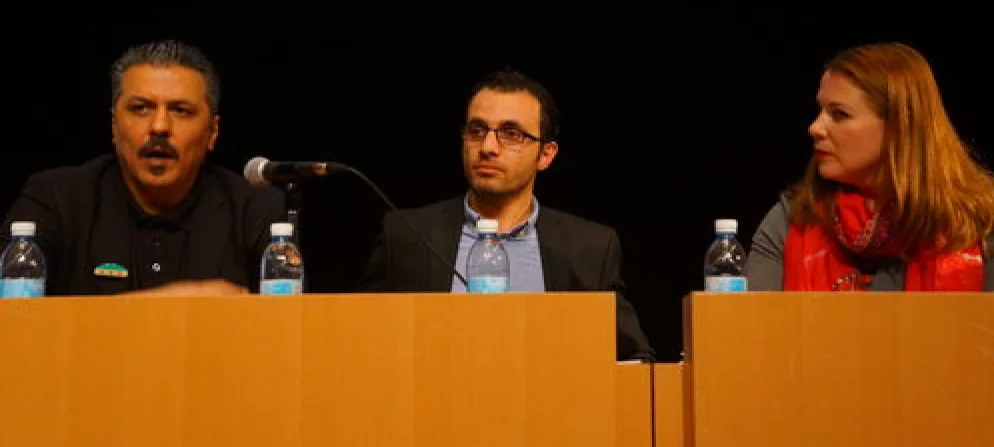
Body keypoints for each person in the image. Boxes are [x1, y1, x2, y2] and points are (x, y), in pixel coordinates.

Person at [355, 66, 655, 361]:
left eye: (511, 134)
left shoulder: (588, 248)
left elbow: (636, 360)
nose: (488, 147)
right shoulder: (408, 235)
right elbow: (357, 339)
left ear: (546, 155)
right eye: (477, 131)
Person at [1, 39, 285, 296]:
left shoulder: (256, 210)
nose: (159, 127)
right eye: (141, 108)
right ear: (114, 126)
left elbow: (287, 333)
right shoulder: (56, 200)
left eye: (180, 110)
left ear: (212, 132)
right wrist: (179, 302)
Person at [747, 41, 994, 291]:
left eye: (839, 114)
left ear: (899, 127)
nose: (815, 128)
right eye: (820, 111)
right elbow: (752, 325)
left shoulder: (982, 224)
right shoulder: (793, 219)